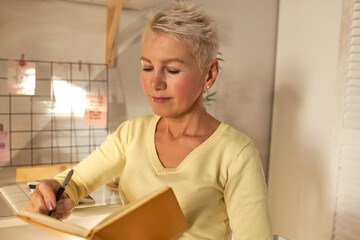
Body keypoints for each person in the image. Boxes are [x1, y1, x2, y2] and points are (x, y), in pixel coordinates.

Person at [27, 1, 272, 239]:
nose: (155, 83)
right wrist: (52, 190)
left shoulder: (236, 153)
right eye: (147, 67)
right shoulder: (131, 134)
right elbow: (77, 181)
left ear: (209, 74)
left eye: (173, 70)